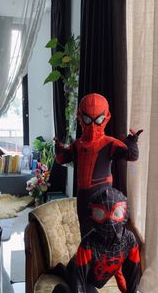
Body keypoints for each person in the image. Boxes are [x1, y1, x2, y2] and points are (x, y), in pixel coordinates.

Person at [43, 187, 146, 293]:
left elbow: (131, 272)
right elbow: (79, 281)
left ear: (124, 213)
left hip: (95, 276)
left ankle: (62, 271)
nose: (109, 221)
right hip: (80, 272)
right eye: (101, 214)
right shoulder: (88, 243)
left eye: (115, 213)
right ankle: (62, 292)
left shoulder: (130, 240)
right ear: (92, 214)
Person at [54, 92, 142, 237]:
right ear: (81, 117)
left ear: (106, 118)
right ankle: (87, 258)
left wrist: (132, 142)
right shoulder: (78, 145)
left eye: (98, 119)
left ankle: (101, 258)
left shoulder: (109, 143)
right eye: (88, 119)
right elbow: (62, 159)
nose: (93, 125)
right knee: (85, 232)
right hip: (83, 195)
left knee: (104, 231)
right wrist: (58, 147)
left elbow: (132, 156)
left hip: (103, 194)